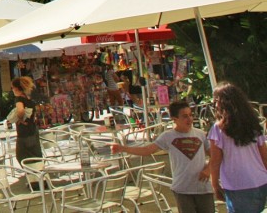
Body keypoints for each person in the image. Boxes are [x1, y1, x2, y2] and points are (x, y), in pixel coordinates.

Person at [111, 100, 214, 213]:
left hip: (204, 188)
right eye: (184, 116)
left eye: (190, 115)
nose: (189, 119)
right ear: (174, 119)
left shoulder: (200, 134)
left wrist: (208, 170)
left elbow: (214, 156)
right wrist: (123, 148)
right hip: (183, 188)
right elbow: (147, 150)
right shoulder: (167, 136)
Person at [207, 82, 267, 213]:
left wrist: (215, 185)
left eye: (215, 101)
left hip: (237, 185)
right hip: (261, 182)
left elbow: (215, 161)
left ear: (221, 102)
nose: (214, 105)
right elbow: (265, 157)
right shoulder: (254, 125)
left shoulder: (218, 129)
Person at [11, 76, 42, 169]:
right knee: (35, 157)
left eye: (12, 88)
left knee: (21, 156)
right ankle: (39, 179)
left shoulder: (19, 99)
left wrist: (20, 119)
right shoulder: (29, 99)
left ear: (16, 88)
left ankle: (32, 178)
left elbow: (20, 110)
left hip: (23, 133)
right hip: (32, 130)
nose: (12, 90)